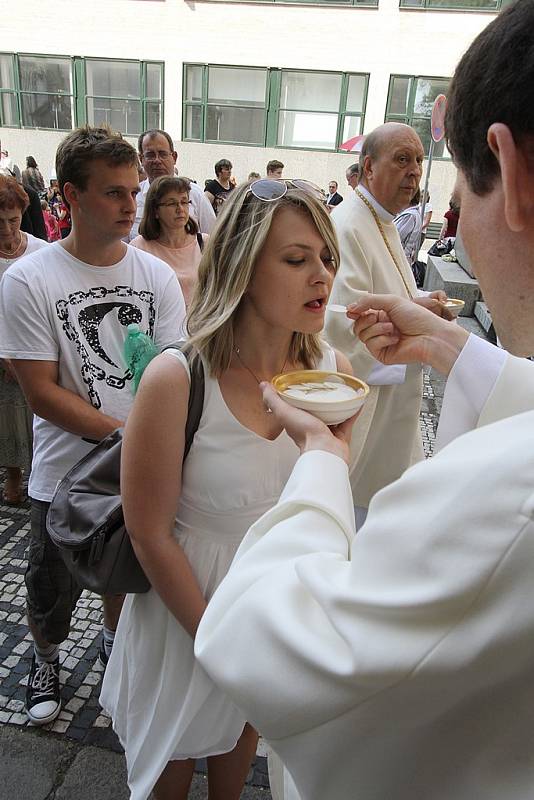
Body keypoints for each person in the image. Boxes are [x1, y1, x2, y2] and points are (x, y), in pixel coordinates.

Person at [195, 3, 534, 799]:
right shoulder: (189, 377)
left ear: (509, 174)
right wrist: (453, 348)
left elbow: (263, 643)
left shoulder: (505, 494)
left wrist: (320, 456)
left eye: (442, 174)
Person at [100, 177, 350, 800]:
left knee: (237, 764)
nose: (320, 275)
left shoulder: (333, 376)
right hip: (187, 612)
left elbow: (320, 508)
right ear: (241, 264)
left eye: (325, 258)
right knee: (171, 773)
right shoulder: (177, 376)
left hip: (266, 614)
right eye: (296, 259)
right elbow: (149, 531)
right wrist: (216, 639)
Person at [0, 125, 186, 727]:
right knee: (50, 585)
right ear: (69, 196)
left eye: (134, 190)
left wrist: (156, 444)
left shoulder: (154, 276)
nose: (132, 204)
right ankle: (46, 657)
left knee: (122, 573)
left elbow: (172, 369)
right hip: (63, 471)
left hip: (140, 461)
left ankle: (112, 650)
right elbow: (43, 394)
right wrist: (133, 437)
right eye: (113, 192)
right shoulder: (29, 279)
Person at [325, 122, 444, 521]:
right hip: (368, 413)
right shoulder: (349, 225)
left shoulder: (381, 219)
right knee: (358, 518)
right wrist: (416, 322)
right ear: (369, 167)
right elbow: (345, 322)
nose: (414, 172)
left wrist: (421, 302)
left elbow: (388, 292)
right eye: (402, 160)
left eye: (419, 161)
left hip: (394, 404)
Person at [0, 175, 49, 504]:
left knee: (35, 414)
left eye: (13, 219)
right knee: (7, 417)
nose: (6, 228)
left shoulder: (40, 251)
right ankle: (13, 476)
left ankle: (38, 476)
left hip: (31, 347)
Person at [131, 175, 207, 307]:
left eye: (184, 202)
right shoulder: (139, 248)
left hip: (202, 324)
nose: (180, 209)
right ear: (155, 211)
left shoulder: (205, 243)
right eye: (172, 203)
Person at [131, 129, 215, 239]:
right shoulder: (134, 196)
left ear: (174, 157)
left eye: (162, 154)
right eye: (150, 155)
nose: (157, 160)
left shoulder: (195, 194)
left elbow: (214, 236)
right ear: (141, 159)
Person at [394, 187, 425, 286]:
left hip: (399, 261)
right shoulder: (411, 214)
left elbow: (394, 237)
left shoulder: (409, 215)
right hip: (400, 260)